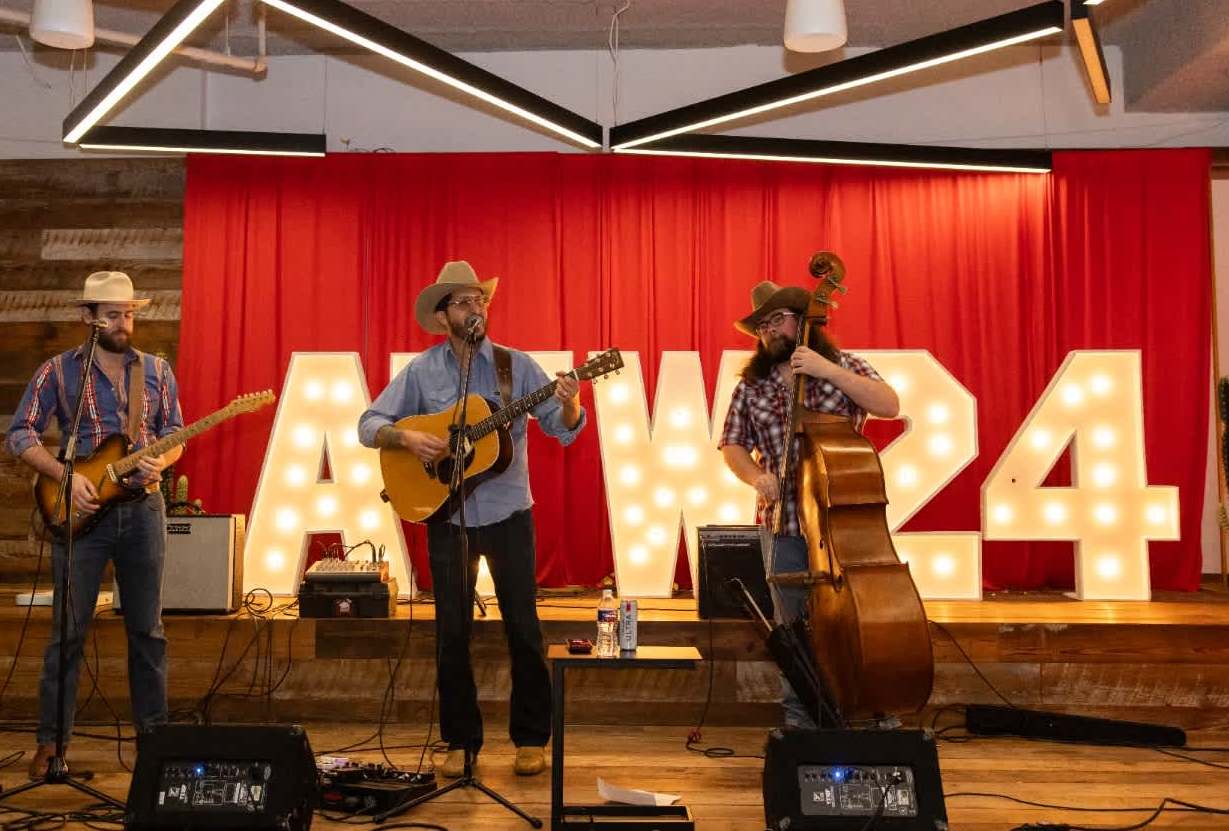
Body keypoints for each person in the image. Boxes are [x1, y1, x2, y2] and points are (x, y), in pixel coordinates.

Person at [358, 261, 585, 777]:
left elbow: (562, 428)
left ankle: (532, 738)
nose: (475, 308)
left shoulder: (515, 366)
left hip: (509, 513)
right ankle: (460, 740)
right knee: (451, 633)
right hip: (448, 516)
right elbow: (368, 424)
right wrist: (406, 437)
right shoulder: (422, 371)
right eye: (463, 301)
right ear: (443, 318)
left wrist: (570, 403)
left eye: (479, 299)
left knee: (523, 627)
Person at [6, 271, 183, 778]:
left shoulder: (156, 370)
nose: (122, 323)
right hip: (79, 514)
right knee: (68, 632)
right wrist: (64, 477)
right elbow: (20, 434)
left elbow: (174, 431)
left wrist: (164, 460)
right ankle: (52, 744)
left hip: (143, 511)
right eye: (111, 315)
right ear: (88, 317)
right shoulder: (59, 372)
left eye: (128, 314)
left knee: (148, 631)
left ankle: (154, 743)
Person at [717, 280, 899, 729]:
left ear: (803, 321)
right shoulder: (752, 386)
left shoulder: (844, 365)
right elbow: (732, 445)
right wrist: (756, 477)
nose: (769, 331)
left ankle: (875, 713)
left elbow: (889, 404)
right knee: (794, 629)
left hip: (844, 527)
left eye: (777, 320)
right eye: (762, 326)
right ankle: (802, 721)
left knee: (864, 621)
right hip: (784, 526)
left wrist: (827, 370)